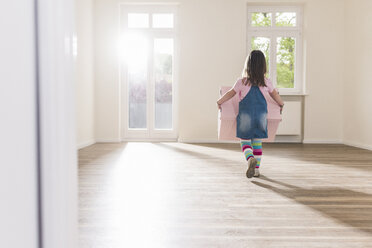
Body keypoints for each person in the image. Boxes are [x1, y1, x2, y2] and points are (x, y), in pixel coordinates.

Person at [217, 50, 284, 178]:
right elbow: (275, 95)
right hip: (261, 115)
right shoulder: (266, 82)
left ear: (248, 65)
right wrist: (281, 104)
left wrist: (219, 101)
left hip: (245, 116)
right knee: (257, 142)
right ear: (263, 66)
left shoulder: (242, 82)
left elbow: (230, 93)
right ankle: (257, 170)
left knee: (245, 140)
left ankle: (250, 159)